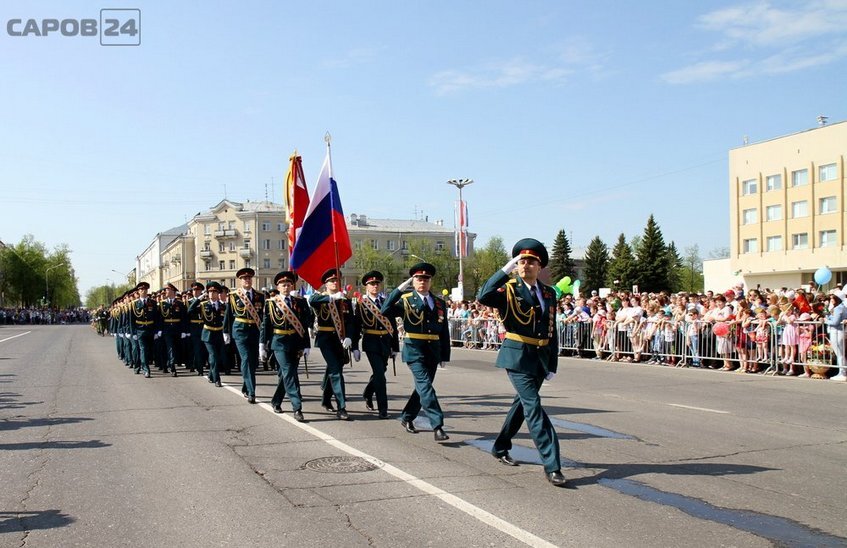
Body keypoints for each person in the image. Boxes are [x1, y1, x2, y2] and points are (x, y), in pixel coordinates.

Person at [477, 238, 566, 487]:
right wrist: (505, 271)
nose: (526, 265)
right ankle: (553, 464)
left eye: (531, 261)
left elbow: (551, 330)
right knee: (533, 406)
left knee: (522, 405)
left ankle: (500, 445)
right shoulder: (508, 289)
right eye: (522, 261)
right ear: (516, 265)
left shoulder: (548, 293)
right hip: (516, 355)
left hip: (539, 357)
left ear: (540, 266)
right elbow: (483, 295)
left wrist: (552, 364)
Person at [381, 262, 451, 442]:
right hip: (414, 350)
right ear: (413, 281)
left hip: (433, 351)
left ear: (430, 281)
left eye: (426, 279)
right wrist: (399, 289)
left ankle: (406, 417)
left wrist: (445, 355)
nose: (423, 282)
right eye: (419, 278)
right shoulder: (406, 300)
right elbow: (385, 310)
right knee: (426, 387)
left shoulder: (439, 303)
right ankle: (438, 425)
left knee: (421, 389)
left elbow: (443, 331)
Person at [309, 268, 358, 420]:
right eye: (331, 281)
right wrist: (331, 298)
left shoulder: (344, 300)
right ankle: (341, 407)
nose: (334, 283)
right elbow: (312, 301)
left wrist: (350, 338)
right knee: (336, 372)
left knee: (334, 369)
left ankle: (325, 399)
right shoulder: (321, 298)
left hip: (341, 340)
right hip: (326, 340)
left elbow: (350, 322)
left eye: (337, 281)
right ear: (326, 284)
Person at [261, 271, 311, 421]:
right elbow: (266, 326)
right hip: (279, 342)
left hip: (296, 342)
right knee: (289, 372)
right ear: (278, 286)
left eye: (289, 284)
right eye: (283, 284)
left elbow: (305, 324)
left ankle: (276, 401)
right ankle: (297, 407)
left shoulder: (300, 302)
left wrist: (306, 345)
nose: (286, 286)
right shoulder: (271, 302)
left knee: (287, 374)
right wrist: (262, 345)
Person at [355, 270, 399, 419]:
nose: (375, 286)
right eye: (371, 284)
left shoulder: (387, 302)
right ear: (366, 286)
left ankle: (368, 392)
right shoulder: (361, 303)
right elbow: (356, 326)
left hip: (385, 342)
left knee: (381, 371)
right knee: (380, 375)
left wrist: (395, 347)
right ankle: (383, 408)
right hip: (371, 342)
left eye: (377, 283)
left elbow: (392, 325)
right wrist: (354, 346)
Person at [223, 268, 265, 403]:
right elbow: (229, 315)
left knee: (253, 362)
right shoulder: (234, 295)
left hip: (255, 331)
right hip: (240, 331)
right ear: (240, 281)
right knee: (246, 359)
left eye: (249, 278)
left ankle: (246, 387)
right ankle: (252, 392)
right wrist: (226, 332)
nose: (247, 280)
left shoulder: (260, 295)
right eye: (244, 279)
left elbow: (263, 317)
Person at [189, 281, 226, 387]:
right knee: (213, 355)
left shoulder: (223, 306)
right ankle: (217, 379)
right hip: (208, 334)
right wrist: (199, 298)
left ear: (218, 293)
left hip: (219, 333)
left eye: (214, 292)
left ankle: (210, 375)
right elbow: (190, 309)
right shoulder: (203, 304)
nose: (211, 294)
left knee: (217, 357)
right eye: (209, 292)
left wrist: (226, 333)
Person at [157, 283, 188, 377]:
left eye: (167, 290)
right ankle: (172, 366)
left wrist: (184, 331)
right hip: (166, 329)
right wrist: (159, 329)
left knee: (175, 348)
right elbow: (159, 318)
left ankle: (169, 363)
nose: (165, 291)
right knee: (169, 347)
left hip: (177, 329)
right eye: (166, 290)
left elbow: (184, 318)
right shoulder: (162, 304)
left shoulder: (180, 304)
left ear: (173, 292)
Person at [128, 282, 158, 378]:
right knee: (143, 349)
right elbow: (131, 320)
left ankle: (144, 364)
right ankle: (146, 369)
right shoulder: (134, 304)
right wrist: (133, 333)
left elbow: (156, 318)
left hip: (151, 329)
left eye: (145, 289)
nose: (143, 291)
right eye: (141, 290)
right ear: (138, 291)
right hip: (140, 330)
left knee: (149, 350)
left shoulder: (153, 303)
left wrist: (157, 331)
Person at [824, 290, 847, 381]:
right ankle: (842, 372)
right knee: (840, 353)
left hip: (837, 331)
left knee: (840, 353)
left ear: (837, 298)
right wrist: (827, 316)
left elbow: (835, 322)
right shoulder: (841, 307)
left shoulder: (839, 308)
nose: (831, 299)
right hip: (837, 331)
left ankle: (843, 373)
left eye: (832, 297)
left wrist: (826, 321)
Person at [186, 281, 208, 376]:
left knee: (204, 348)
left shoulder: (205, 301)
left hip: (204, 326)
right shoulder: (189, 302)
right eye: (194, 290)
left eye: (198, 290)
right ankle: (199, 369)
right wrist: (198, 300)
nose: (195, 291)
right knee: (197, 348)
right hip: (194, 327)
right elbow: (189, 311)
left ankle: (202, 364)